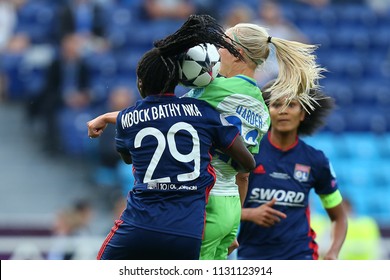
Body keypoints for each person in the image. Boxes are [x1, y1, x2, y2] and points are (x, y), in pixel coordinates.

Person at [88, 20, 324, 260]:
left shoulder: (214, 90)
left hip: (201, 204)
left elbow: (161, 114)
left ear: (237, 53)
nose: (216, 50)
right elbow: (243, 174)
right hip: (231, 206)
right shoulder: (262, 108)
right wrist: (234, 225)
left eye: (223, 44)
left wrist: (109, 117)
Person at [91, 15, 256, 260]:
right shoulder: (204, 113)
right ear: (178, 81)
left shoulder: (127, 119)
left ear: (140, 82)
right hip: (187, 234)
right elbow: (248, 163)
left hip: (138, 226)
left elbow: (127, 158)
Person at [236, 80, 348, 260]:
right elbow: (220, 208)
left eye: (291, 105)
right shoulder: (248, 153)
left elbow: (339, 217)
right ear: (267, 111)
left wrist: (333, 251)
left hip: (300, 255)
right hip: (252, 256)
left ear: (302, 114)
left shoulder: (316, 160)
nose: (283, 111)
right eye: (276, 104)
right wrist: (249, 214)